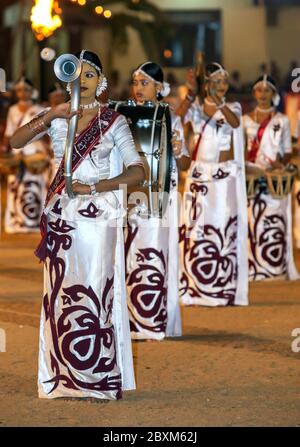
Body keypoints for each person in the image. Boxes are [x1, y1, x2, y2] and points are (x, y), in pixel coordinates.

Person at [10, 50, 145, 400]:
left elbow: (138, 171)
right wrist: (52, 113)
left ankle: (97, 377)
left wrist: (96, 187)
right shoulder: (58, 118)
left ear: (99, 81)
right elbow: (15, 142)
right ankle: (63, 377)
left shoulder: (113, 121)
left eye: (89, 75)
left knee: (96, 288)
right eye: (76, 74)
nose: (81, 81)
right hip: (63, 217)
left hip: (99, 216)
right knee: (61, 294)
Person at [125, 61, 190, 340]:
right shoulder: (123, 117)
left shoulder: (170, 118)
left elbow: (185, 163)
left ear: (160, 88)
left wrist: (177, 150)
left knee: (155, 250)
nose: (138, 88)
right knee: (130, 254)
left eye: (145, 83)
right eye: (136, 82)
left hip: (160, 195)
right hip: (131, 196)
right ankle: (129, 320)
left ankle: (154, 320)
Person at [178, 62, 248, 307]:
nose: (221, 86)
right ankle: (196, 286)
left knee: (221, 226)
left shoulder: (233, 107)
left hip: (223, 178)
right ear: (206, 84)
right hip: (199, 177)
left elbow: (235, 124)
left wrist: (218, 103)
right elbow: (177, 118)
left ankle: (222, 287)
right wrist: (190, 91)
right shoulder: (195, 109)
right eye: (215, 82)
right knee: (197, 229)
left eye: (224, 82)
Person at [243, 75, 299, 280]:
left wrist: (281, 164)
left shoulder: (282, 120)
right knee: (251, 221)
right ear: (254, 93)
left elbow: (286, 151)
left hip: (273, 179)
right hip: (251, 176)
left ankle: (272, 267)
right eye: (259, 90)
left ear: (273, 94)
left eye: (267, 90)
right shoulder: (244, 120)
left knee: (272, 221)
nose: (263, 94)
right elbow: (241, 150)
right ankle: (252, 267)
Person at [3, 77, 49, 233]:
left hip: (34, 152)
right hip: (17, 153)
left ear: (32, 92)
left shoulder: (39, 110)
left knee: (35, 184)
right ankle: (17, 222)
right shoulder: (13, 110)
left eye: (26, 90)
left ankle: (35, 222)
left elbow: (45, 133)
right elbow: (9, 134)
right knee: (16, 186)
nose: (22, 93)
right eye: (19, 90)